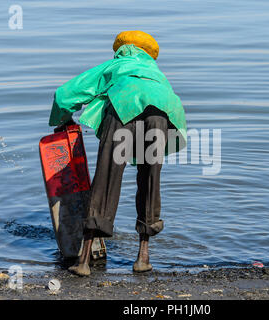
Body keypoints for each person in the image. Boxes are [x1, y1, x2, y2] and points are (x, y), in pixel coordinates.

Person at [48, 31, 187, 275]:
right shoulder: (157, 74)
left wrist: (64, 120)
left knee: (107, 179)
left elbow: (65, 95)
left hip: (125, 106)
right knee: (150, 180)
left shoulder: (117, 65)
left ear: (121, 49)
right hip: (164, 113)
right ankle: (143, 258)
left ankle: (82, 263)